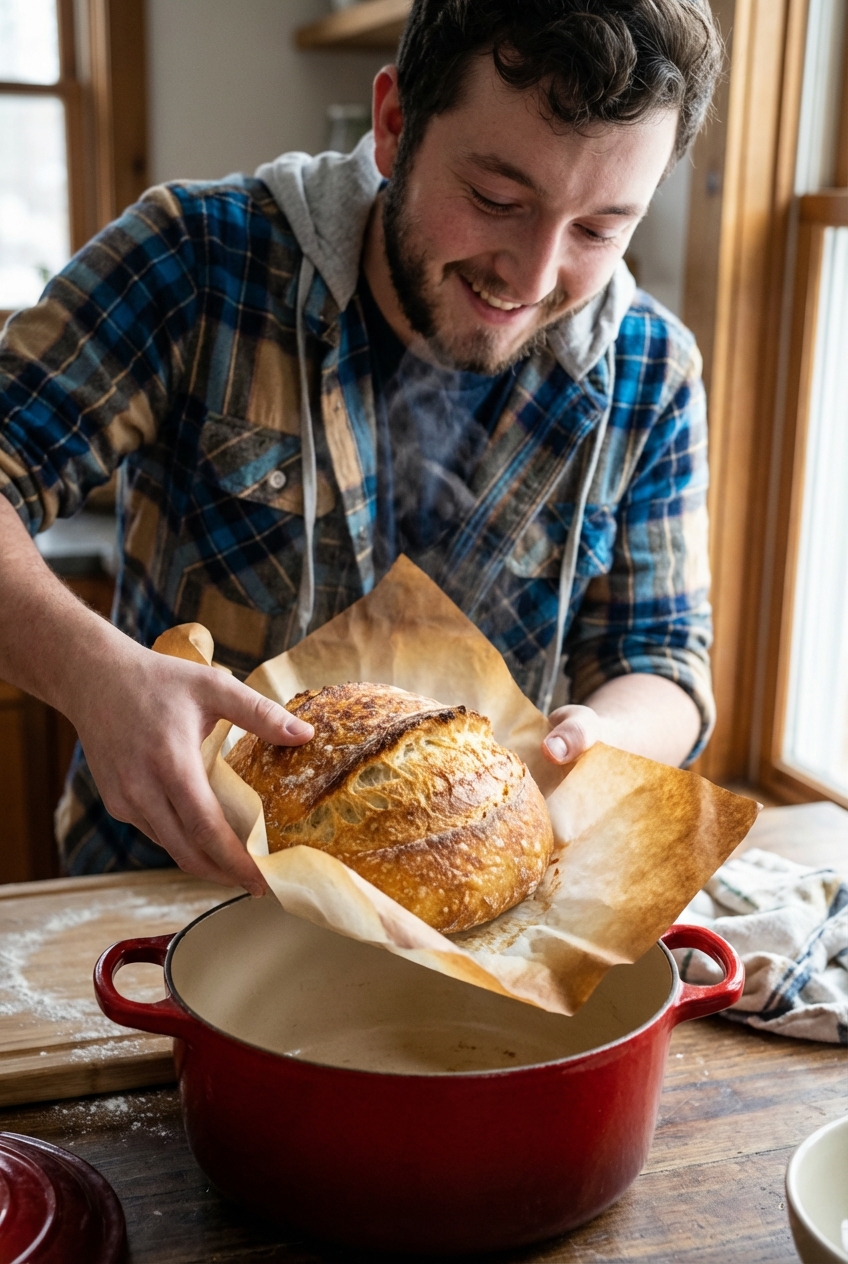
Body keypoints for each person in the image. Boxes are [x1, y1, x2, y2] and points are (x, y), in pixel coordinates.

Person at [0, 0, 722, 895]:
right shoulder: (195, 261)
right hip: (168, 891)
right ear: (393, 127)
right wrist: (91, 672)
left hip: (462, 919)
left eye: (598, 230)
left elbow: (662, 663)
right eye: (498, 199)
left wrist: (595, 741)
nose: (531, 278)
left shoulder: (651, 372)